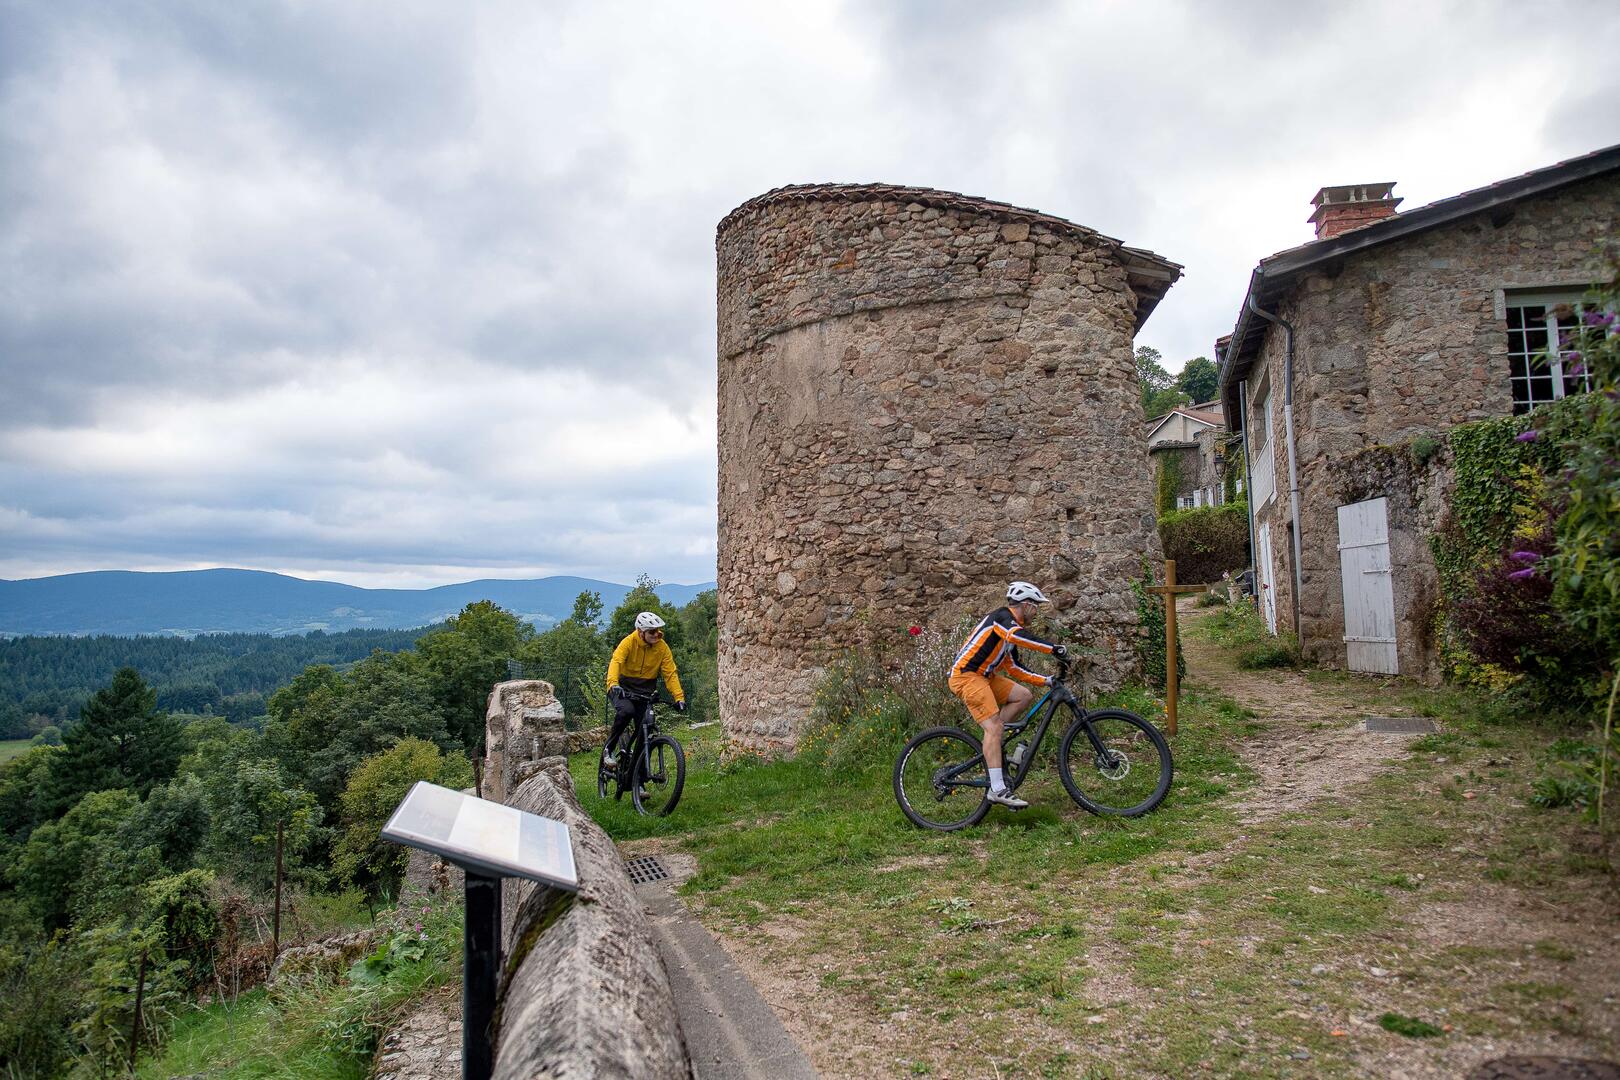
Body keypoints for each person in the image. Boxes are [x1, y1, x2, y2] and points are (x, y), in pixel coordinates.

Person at [947, 581, 1068, 810]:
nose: (1037, 612)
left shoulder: (1007, 632)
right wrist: (1054, 648)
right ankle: (997, 789)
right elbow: (1016, 635)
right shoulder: (1002, 619)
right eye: (1036, 607)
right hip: (967, 676)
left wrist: (1046, 680)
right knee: (993, 727)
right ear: (1027, 605)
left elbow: (1014, 668)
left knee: (1023, 696)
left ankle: (994, 744)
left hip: (985, 676)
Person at [602, 611, 686, 767]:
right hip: (622, 688)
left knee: (645, 728)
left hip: (644, 691)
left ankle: (638, 780)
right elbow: (616, 661)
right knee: (626, 711)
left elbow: (670, 674)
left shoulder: (662, 648)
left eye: (659, 632)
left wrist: (679, 697)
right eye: (652, 632)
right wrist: (613, 684)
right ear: (640, 632)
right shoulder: (628, 642)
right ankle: (609, 748)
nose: (657, 635)